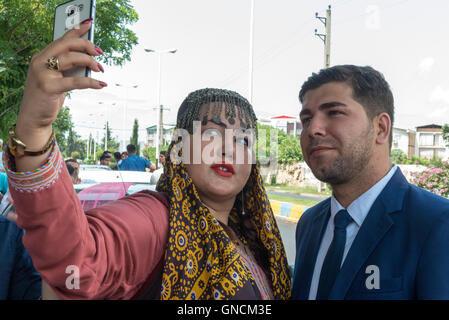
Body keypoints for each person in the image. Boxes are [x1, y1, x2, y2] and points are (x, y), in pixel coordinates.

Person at [3, 20, 291, 300]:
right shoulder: (157, 220)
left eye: (243, 139)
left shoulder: (252, 238)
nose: (228, 148)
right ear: (180, 146)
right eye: (212, 133)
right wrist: (35, 128)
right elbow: (76, 263)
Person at [291, 65, 449, 300]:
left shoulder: (436, 223)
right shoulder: (309, 223)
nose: (313, 129)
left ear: (381, 128)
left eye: (334, 112)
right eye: (306, 119)